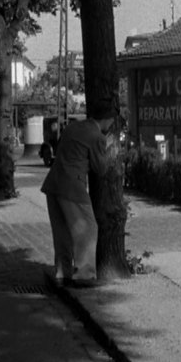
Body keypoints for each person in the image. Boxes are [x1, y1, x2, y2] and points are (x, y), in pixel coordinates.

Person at [40, 112, 114, 288]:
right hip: (72, 186)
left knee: (62, 232)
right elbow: (101, 169)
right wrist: (109, 149)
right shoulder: (97, 136)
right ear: (107, 118)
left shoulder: (73, 127)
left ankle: (62, 273)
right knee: (88, 227)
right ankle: (84, 275)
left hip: (53, 183)